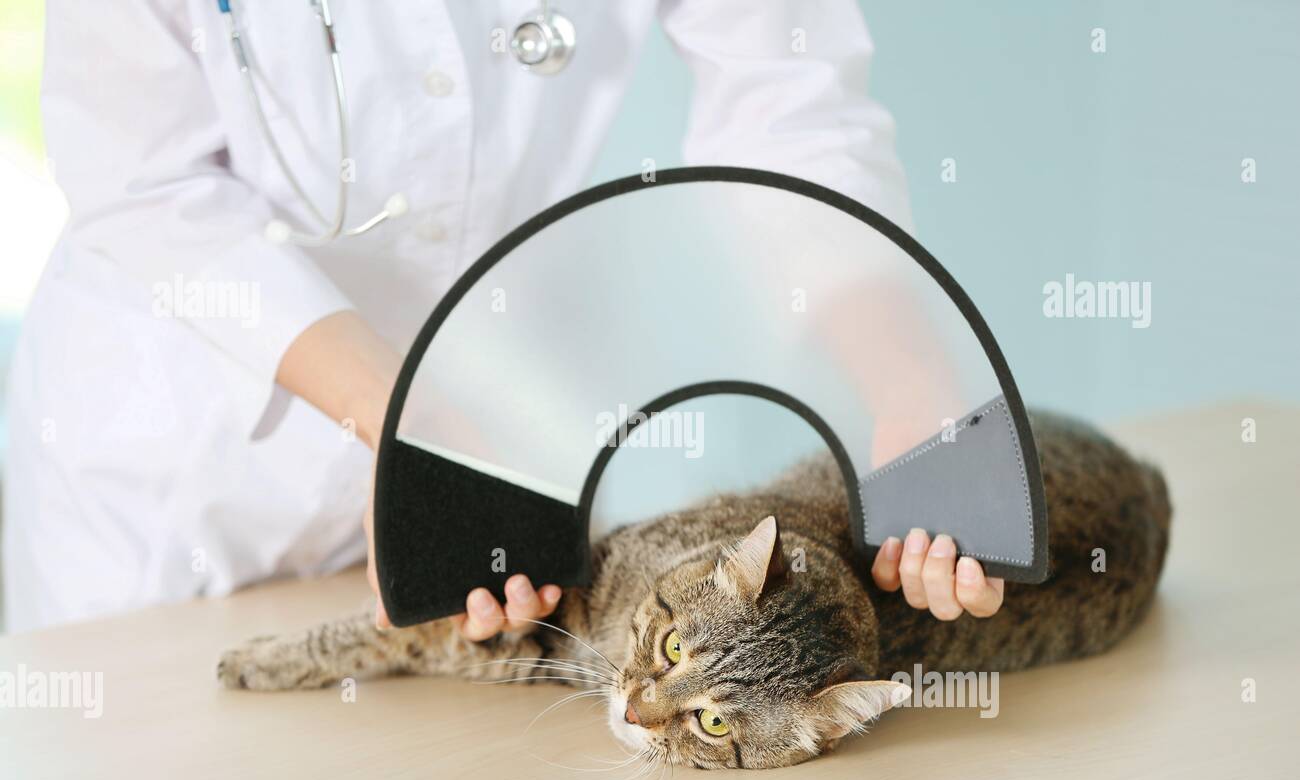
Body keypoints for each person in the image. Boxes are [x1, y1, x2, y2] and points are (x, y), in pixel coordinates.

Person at [4, 0, 1003, 634]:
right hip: (176, 463)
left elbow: (793, 117)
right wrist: (407, 425)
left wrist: (915, 401)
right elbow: (148, 183)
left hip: (478, 420)